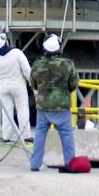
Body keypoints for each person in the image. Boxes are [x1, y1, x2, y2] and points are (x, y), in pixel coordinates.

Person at [29, 34, 78, 171]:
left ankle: (35, 164)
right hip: (61, 106)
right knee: (67, 135)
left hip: (43, 107)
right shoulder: (67, 65)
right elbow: (73, 85)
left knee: (40, 134)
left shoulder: (37, 64)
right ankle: (70, 163)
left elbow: (33, 83)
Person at [0, 33, 32, 142]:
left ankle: (6, 136)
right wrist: (32, 84)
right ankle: (26, 135)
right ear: (6, 42)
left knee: (6, 112)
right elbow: (27, 71)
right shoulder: (17, 53)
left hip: (3, 87)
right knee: (22, 109)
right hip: (18, 85)